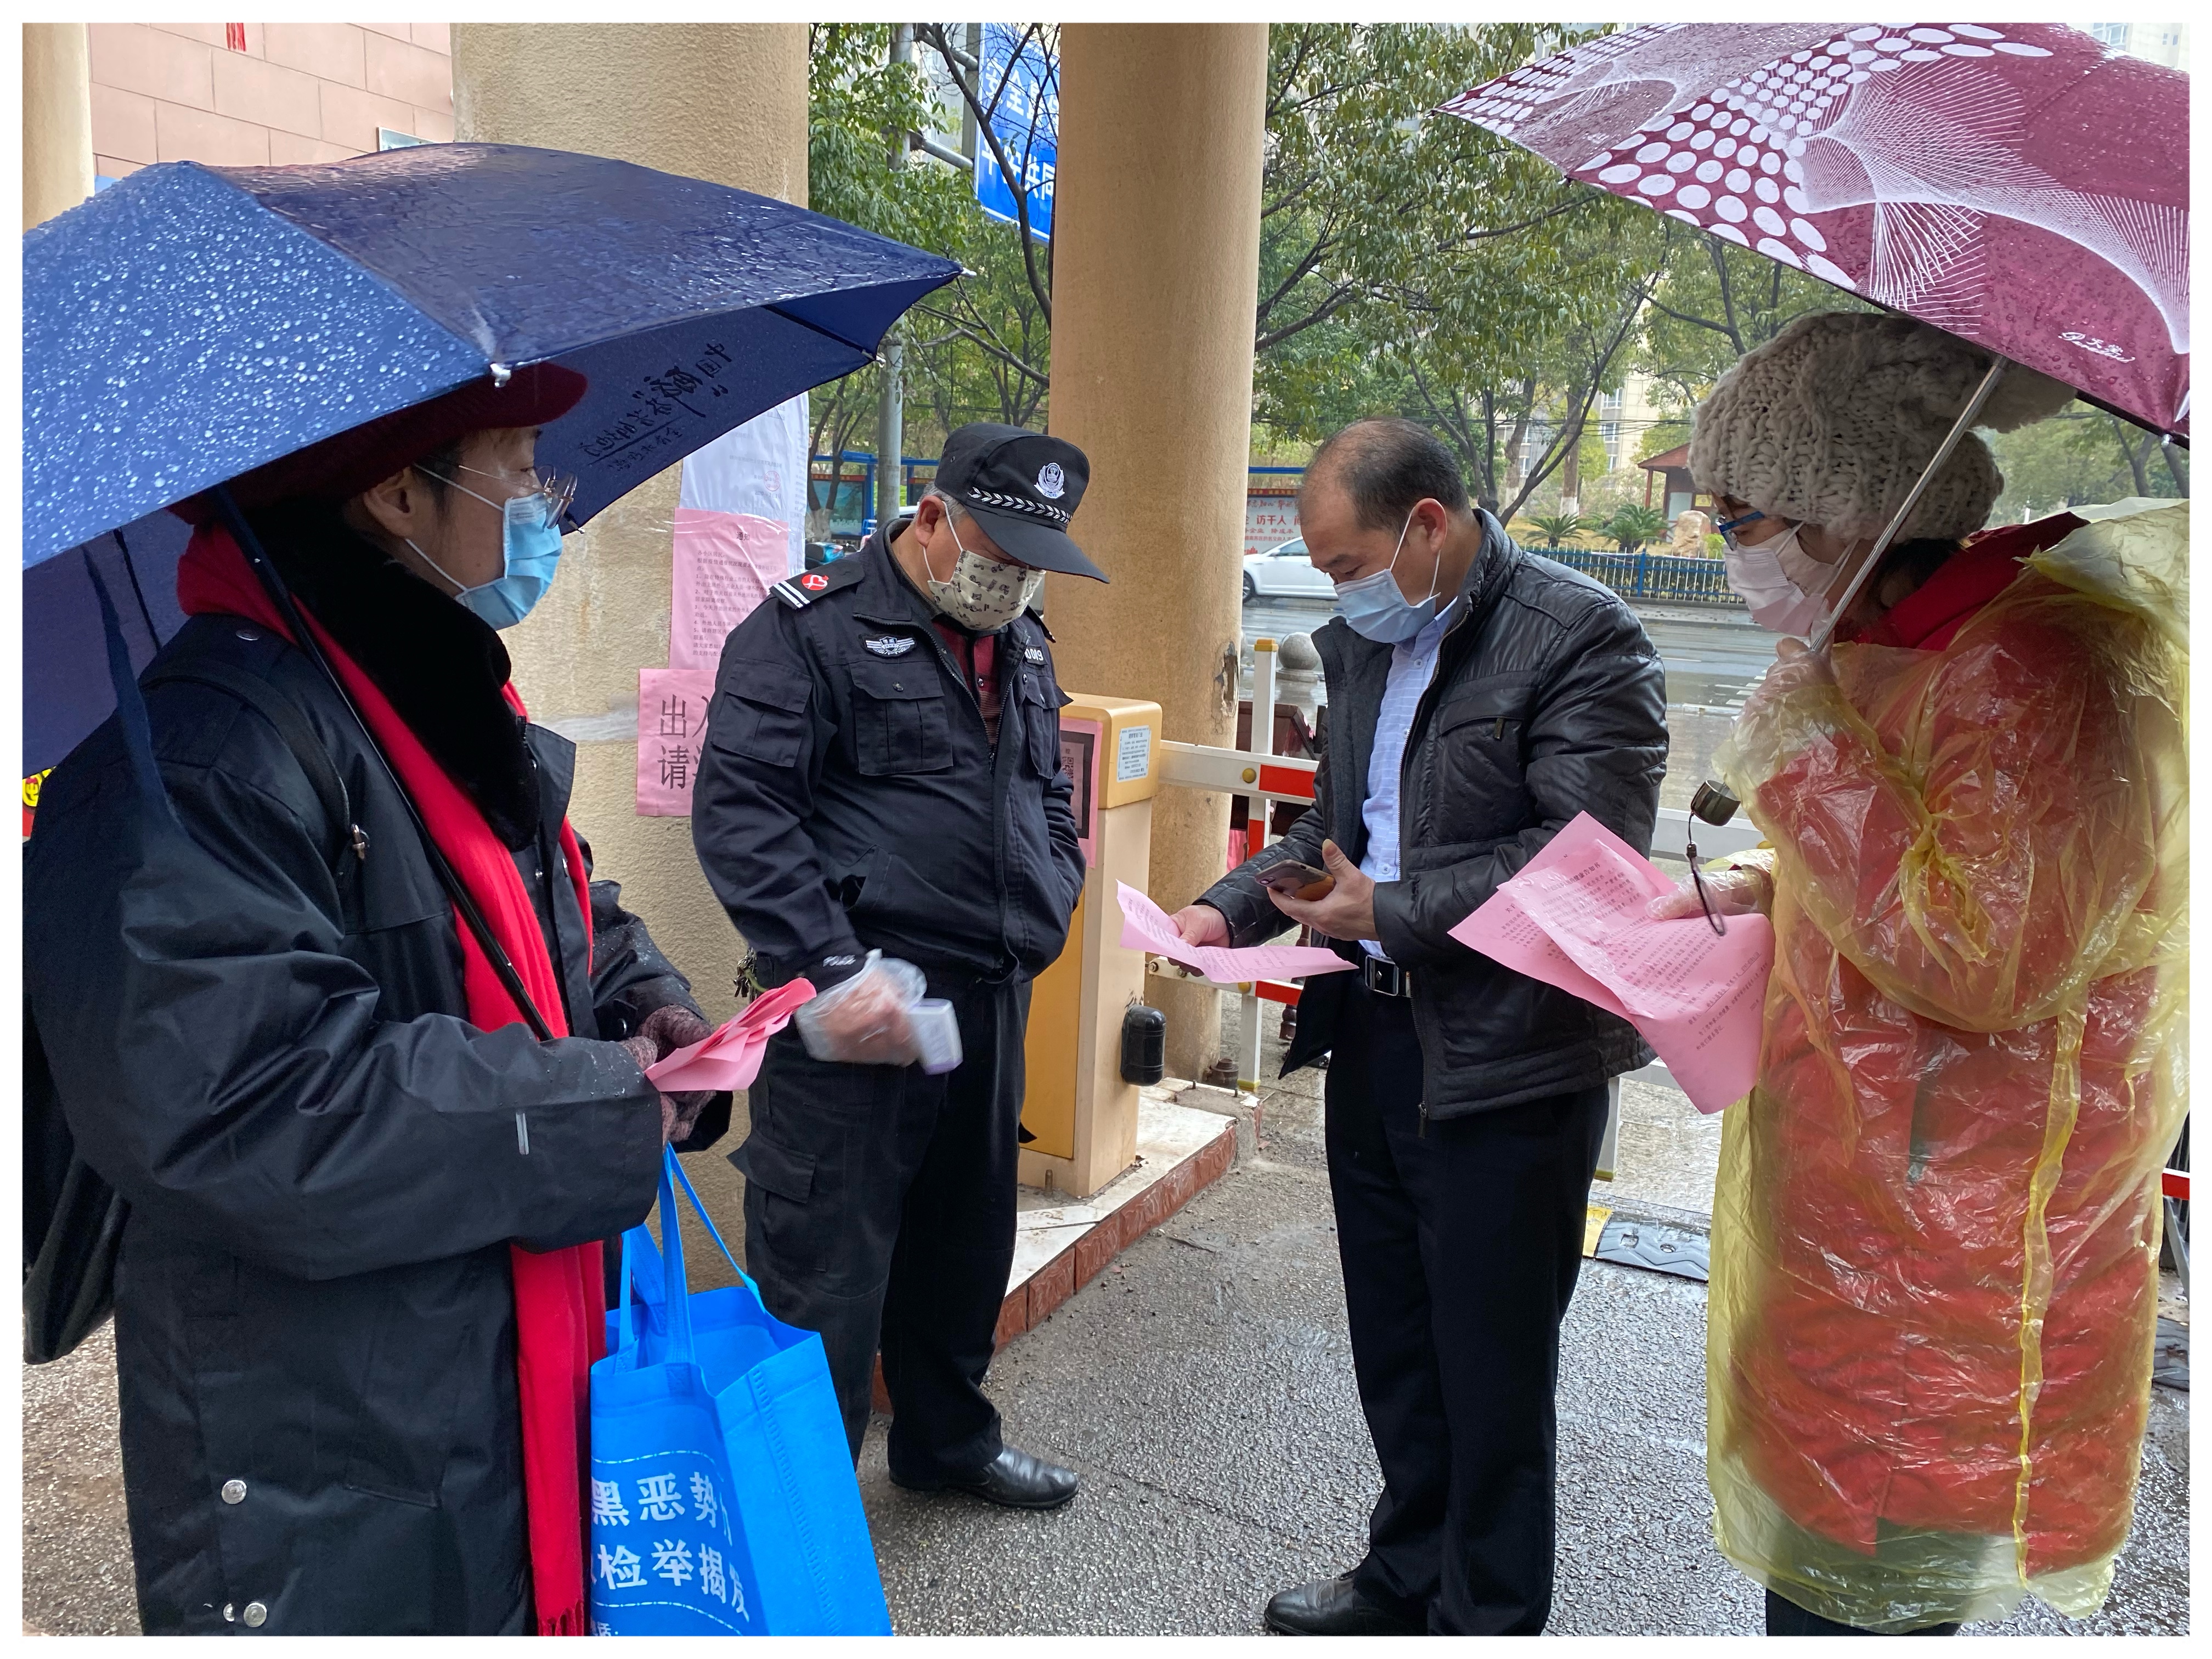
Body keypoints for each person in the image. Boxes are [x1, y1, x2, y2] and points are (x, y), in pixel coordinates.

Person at [24, 365, 727, 1637]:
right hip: (329, 1425)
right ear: (400, 494)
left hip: (478, 1357)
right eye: (518, 462)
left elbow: (550, 907)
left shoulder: (417, 685)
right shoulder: (198, 760)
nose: (545, 503)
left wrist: (648, 1004)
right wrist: (596, 1101)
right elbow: (259, 1103)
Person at [1651, 312, 2186, 1634]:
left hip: (1947, 1283)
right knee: (1819, 1595)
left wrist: (1809, 757)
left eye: (1742, 515)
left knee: (1868, 1613)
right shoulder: (1911, 649)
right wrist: (1761, 883)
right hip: (1854, 1233)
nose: (1729, 546)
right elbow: (1905, 885)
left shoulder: (2036, 668)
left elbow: (1985, 955)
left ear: (1845, 515)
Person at [1171, 418, 1668, 1635]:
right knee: (1396, 1336)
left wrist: (1386, 908)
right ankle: (1403, 1573)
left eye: (1346, 564)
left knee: (1492, 1367)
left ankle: (1486, 1614)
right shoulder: (1367, 649)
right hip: (1378, 1036)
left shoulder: (1582, 637)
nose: (1338, 591)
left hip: (1512, 1058)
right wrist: (1226, 907)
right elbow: (1336, 830)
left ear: (1429, 527)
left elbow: (1583, 859)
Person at [691, 422, 1101, 1508]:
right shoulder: (809, 629)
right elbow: (744, 812)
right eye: (998, 553)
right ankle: (805, 1507)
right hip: (854, 1007)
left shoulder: (1021, 639)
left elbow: (1046, 796)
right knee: (828, 1259)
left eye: (1032, 565)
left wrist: (1054, 896)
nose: (1011, 581)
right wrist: (831, 969)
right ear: (931, 517)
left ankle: (947, 1443)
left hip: (985, 1001)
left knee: (965, 1242)